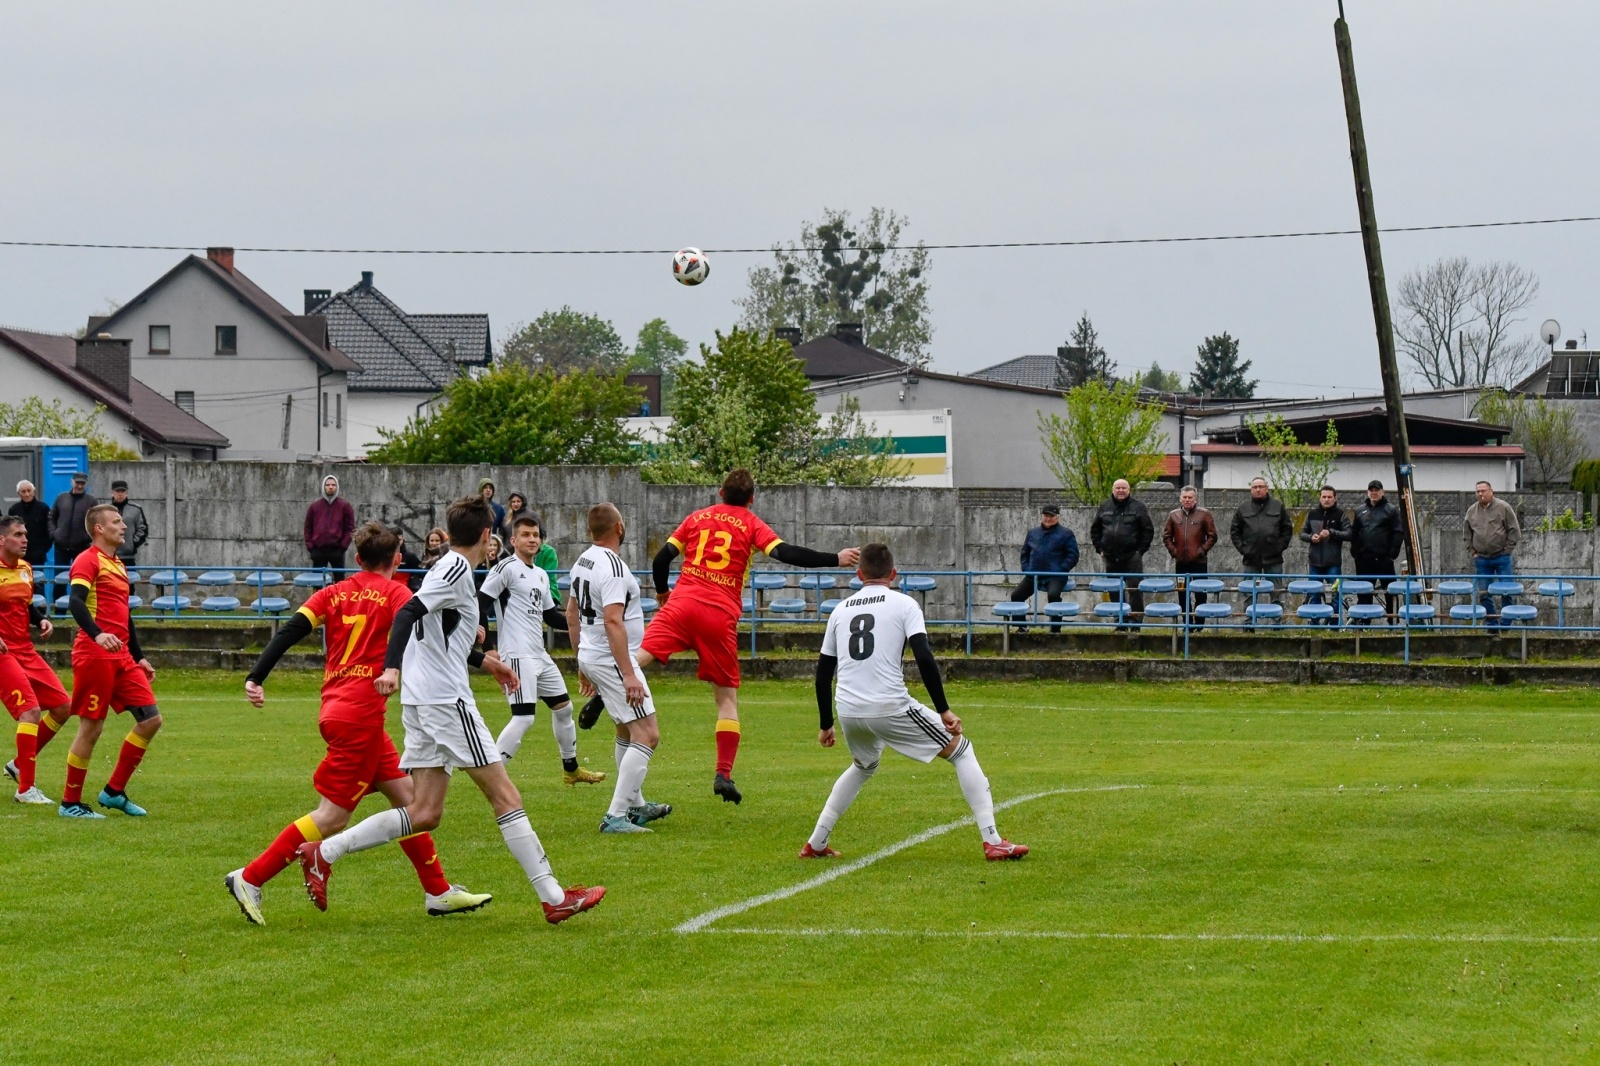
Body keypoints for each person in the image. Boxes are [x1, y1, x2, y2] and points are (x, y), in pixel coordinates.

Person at [296, 496, 605, 925]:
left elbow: (436, 628)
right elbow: (409, 613)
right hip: (445, 700)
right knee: (505, 796)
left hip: (423, 699)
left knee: (425, 812)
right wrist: (391, 668)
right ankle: (554, 898)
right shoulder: (457, 567)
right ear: (487, 535)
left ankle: (324, 852)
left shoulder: (445, 567)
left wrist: (484, 660)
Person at [227, 522, 491, 925]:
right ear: (397, 559)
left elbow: (291, 631)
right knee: (332, 818)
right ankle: (250, 878)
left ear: (357, 558)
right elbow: (430, 639)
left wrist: (256, 676)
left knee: (409, 801)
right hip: (360, 718)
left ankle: (438, 891)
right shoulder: (398, 594)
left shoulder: (332, 593)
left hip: (339, 709)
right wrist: (482, 656)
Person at [579, 468, 860, 805]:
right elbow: (787, 554)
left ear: (720, 493)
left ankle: (607, 691)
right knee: (726, 700)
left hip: (682, 604)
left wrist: (664, 592)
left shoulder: (697, 517)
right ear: (751, 499)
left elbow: (662, 558)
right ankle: (723, 774)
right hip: (719, 614)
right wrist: (836, 558)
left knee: (639, 659)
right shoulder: (752, 524)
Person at [802, 543, 1028, 862]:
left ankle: (816, 843)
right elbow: (923, 657)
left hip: (849, 709)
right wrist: (943, 709)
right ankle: (993, 841)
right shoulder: (904, 604)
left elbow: (823, 673)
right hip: (888, 705)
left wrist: (826, 723)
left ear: (859, 575)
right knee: (961, 750)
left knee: (863, 766)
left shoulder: (840, 610)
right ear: (894, 574)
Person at [569, 503, 673, 834]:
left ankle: (636, 805)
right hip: (612, 660)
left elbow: (572, 615)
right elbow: (613, 621)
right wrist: (628, 674)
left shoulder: (582, 561)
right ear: (619, 527)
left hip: (594, 656)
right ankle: (615, 816)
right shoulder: (613, 567)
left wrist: (581, 660)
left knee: (626, 731)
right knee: (648, 734)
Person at [479, 513, 604, 785]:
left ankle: (571, 770)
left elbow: (550, 617)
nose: (532, 539)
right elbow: (480, 604)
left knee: (564, 708)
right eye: (525, 535)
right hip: (516, 654)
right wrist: (489, 649)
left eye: (535, 535)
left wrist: (583, 622)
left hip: (538, 655)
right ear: (513, 540)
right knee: (524, 718)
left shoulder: (541, 575)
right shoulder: (505, 569)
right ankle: (491, 776)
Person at [60, 504, 161, 819]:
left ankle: (114, 791)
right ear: (99, 529)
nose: (124, 526)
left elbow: (124, 615)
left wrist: (139, 657)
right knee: (92, 728)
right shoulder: (87, 560)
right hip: (94, 655)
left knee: (151, 720)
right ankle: (70, 803)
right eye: (116, 521)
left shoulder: (118, 564)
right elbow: (75, 602)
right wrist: (97, 634)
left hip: (122, 657)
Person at [0, 516, 71, 804]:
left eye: (25, 534)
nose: (25, 539)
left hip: (25, 650)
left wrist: (40, 619)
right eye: (18, 534)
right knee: (30, 711)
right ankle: (25, 789)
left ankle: (19, 764)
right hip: (3, 653)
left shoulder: (26, 569)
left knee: (63, 707)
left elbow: (26, 604)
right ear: (2, 540)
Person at [1008, 504, 1079, 634]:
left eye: (1051, 516)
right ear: (1042, 516)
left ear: (1057, 517)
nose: (1048, 518)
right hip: (1033, 575)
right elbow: (1024, 553)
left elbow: (1073, 555)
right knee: (1016, 596)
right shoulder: (1032, 533)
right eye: (1046, 515)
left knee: (1053, 595)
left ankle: (1055, 629)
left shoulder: (1066, 534)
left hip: (1055, 576)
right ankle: (1021, 627)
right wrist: (1027, 569)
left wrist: (1061, 569)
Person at [1089, 479, 1153, 622]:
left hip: (1132, 556)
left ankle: (1136, 622)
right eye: (1118, 488)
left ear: (1129, 490)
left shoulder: (1138, 507)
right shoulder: (1104, 506)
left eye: (1124, 488)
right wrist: (1099, 548)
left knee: (1135, 589)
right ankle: (1120, 620)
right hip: (1110, 556)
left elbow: (1148, 530)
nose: (1121, 490)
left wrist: (1140, 551)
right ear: (1113, 490)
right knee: (1114, 590)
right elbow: (1095, 530)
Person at [1465, 480, 1521, 628]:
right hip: (1481, 559)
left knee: (1507, 592)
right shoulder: (1471, 511)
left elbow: (1514, 530)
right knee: (1484, 594)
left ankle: (1506, 625)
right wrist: (1473, 552)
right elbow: (1467, 534)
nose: (1480, 494)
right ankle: (1492, 626)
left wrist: (1508, 550)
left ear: (1491, 491)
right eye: (1478, 491)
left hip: (1502, 557)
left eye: (1483, 491)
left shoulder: (1503, 507)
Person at [1350, 479, 1404, 621]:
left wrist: (1392, 554)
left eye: (1376, 490)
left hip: (1384, 560)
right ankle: (1364, 623)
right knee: (1364, 593)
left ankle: (1393, 622)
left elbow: (1398, 532)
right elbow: (1354, 532)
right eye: (1371, 490)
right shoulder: (1360, 510)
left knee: (1390, 592)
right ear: (1368, 492)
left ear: (1382, 492)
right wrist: (1355, 552)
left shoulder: (1391, 510)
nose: (1374, 493)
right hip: (1364, 560)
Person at [1162, 486, 1217, 622]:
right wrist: (1174, 552)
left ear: (1195, 499)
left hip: (1199, 562)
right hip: (1181, 562)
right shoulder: (1173, 515)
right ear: (1180, 499)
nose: (1187, 500)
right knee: (1182, 593)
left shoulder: (1204, 514)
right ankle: (1187, 623)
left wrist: (1201, 551)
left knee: (1200, 593)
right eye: (1185, 497)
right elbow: (1167, 536)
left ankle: (1199, 624)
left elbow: (1212, 536)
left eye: (1190, 497)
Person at [1300, 485, 1350, 621]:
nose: (1326, 499)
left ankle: (1334, 626)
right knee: (1314, 595)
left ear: (1335, 498)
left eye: (1329, 497)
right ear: (1320, 498)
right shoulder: (1312, 514)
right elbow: (1302, 533)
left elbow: (1349, 534)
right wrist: (1311, 537)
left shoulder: (1341, 514)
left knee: (1335, 595)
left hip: (1333, 564)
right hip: (1314, 563)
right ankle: (1315, 625)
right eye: (1324, 497)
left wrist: (1331, 533)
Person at [1230, 476, 1293, 580]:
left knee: (1275, 589)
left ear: (1267, 489)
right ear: (1251, 490)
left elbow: (1287, 529)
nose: (1258, 490)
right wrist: (1244, 549)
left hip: (1273, 558)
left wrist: (1279, 547)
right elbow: (1235, 531)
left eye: (1261, 487)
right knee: (1250, 589)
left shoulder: (1278, 506)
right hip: (1251, 559)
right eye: (1255, 487)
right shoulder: (1243, 508)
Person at [48, 471, 96, 602]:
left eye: (82, 483)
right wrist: (54, 534)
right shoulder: (61, 498)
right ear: (72, 482)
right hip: (61, 547)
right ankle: (59, 609)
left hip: (82, 548)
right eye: (77, 483)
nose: (79, 486)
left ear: (86, 484)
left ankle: (80, 607)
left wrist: (87, 537)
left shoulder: (91, 501)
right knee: (59, 581)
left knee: (81, 580)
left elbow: (96, 522)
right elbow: (51, 517)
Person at [304, 475, 355, 576]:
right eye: (327, 485)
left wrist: (342, 548)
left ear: (337, 486)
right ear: (324, 487)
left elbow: (350, 529)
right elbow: (307, 528)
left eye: (333, 485)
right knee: (318, 580)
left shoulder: (345, 506)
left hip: (337, 550)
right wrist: (311, 548)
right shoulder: (314, 506)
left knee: (339, 580)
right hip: (318, 550)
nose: (330, 487)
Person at [8, 480, 51, 567]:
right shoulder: (14, 510)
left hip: (38, 556)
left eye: (29, 490)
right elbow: (10, 532)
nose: (27, 494)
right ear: (19, 494)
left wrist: (43, 550)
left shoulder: (43, 508)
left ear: (33, 491)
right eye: (23, 491)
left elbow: (49, 531)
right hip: (18, 555)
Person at [109, 480, 149, 567]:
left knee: (129, 576)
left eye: (122, 491)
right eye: (117, 491)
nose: (120, 494)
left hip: (128, 557)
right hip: (109, 556)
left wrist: (132, 544)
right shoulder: (105, 510)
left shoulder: (135, 509)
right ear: (112, 493)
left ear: (126, 493)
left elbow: (143, 529)